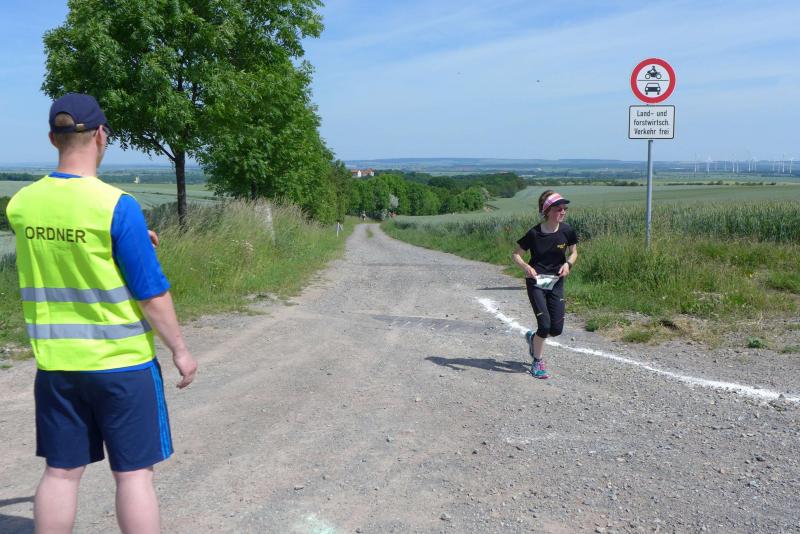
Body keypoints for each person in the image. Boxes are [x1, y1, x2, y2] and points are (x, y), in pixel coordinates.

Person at [6, 93, 198, 533]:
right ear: (100, 136)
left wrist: (128, 238)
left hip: (57, 365)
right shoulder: (116, 206)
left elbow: (66, 243)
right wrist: (180, 350)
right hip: (121, 365)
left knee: (60, 472)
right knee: (133, 475)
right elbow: (151, 294)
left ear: (52, 138)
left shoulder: (22, 205)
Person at [511, 190, 578, 379]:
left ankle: (533, 339)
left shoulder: (567, 230)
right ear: (547, 211)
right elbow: (516, 254)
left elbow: (574, 252)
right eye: (558, 209)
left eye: (564, 209)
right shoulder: (534, 233)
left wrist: (568, 264)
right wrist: (526, 267)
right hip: (537, 282)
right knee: (545, 325)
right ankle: (537, 361)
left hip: (556, 282)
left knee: (556, 329)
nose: (563, 212)